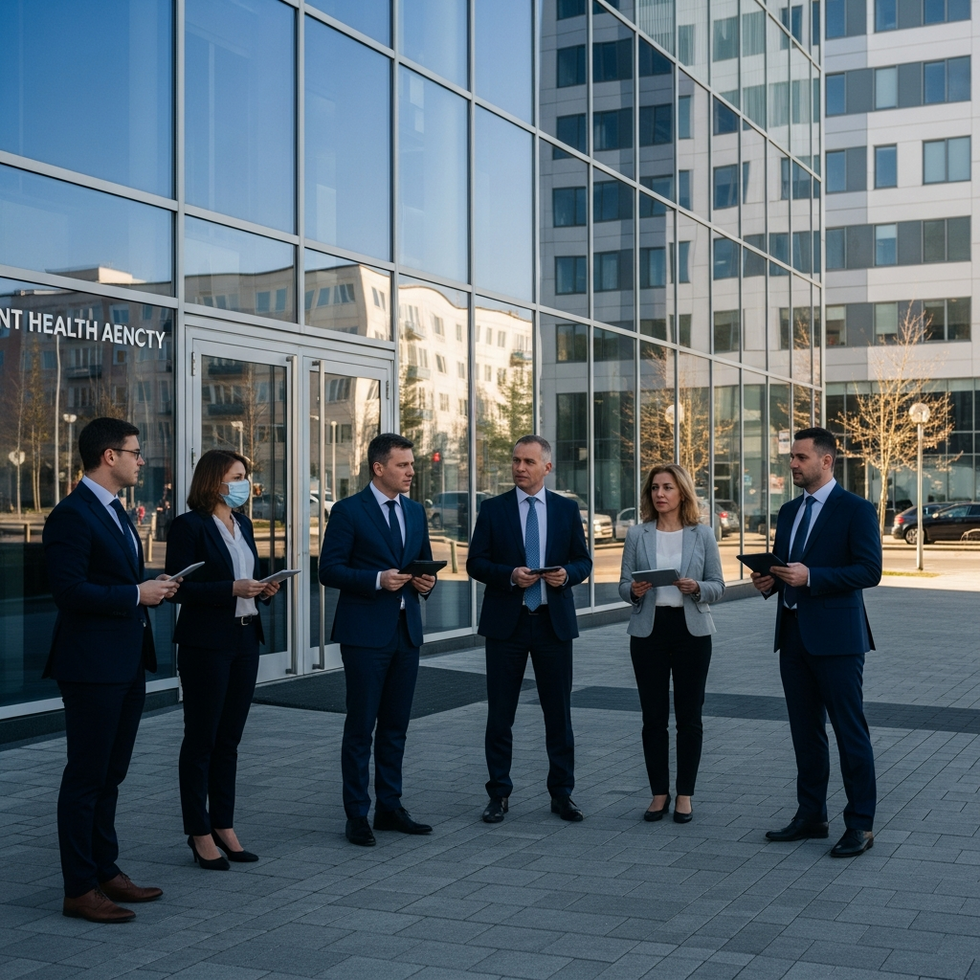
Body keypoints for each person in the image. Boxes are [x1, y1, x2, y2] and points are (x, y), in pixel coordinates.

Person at [42, 417, 177, 923]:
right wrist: (134, 594)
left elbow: (114, 578)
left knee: (111, 774)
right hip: (91, 666)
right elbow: (69, 592)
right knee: (86, 776)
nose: (141, 459)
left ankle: (104, 869)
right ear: (108, 456)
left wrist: (151, 586)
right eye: (135, 452)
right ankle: (79, 888)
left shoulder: (116, 511)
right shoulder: (72, 515)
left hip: (124, 661)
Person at [752, 427, 881, 858]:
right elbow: (784, 565)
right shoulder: (788, 511)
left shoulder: (856, 509)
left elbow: (869, 571)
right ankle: (811, 816)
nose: (792, 464)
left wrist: (814, 577)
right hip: (792, 637)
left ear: (826, 461)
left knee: (849, 732)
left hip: (839, 641)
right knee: (805, 733)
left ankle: (860, 824)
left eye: (800, 457)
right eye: (791, 457)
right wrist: (768, 580)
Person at [318, 433, 437, 846]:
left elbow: (422, 565)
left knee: (396, 727)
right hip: (365, 635)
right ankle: (357, 814)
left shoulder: (416, 512)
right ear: (379, 468)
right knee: (360, 726)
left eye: (411, 464)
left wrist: (426, 582)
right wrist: (376, 580)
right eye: (403, 465)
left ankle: (390, 806)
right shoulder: (349, 511)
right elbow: (329, 570)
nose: (411, 472)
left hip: (406, 633)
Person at [467, 435, 592, 824]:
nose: (520, 468)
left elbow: (583, 562)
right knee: (500, 716)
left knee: (559, 715)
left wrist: (564, 575)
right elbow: (475, 563)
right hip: (508, 626)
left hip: (553, 625)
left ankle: (562, 795)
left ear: (547, 468)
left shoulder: (566, 510)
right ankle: (498, 794)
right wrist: (510, 575)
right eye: (516, 461)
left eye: (528, 462)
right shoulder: (493, 509)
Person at [165, 449, 280, 870]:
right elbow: (179, 588)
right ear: (215, 481)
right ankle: (199, 832)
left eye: (245, 476)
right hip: (205, 646)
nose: (244, 484)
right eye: (237, 476)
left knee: (228, 740)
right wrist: (232, 589)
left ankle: (224, 825)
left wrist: (263, 589)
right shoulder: (188, 526)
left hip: (245, 642)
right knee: (201, 740)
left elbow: (244, 578)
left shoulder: (243, 523)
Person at [618, 463, 725, 824]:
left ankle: (685, 795)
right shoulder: (637, 534)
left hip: (691, 631)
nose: (660, 494)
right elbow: (622, 584)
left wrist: (697, 588)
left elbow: (718, 585)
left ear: (682, 493)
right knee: (653, 718)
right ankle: (658, 793)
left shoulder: (702, 534)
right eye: (654, 488)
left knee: (689, 718)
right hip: (649, 631)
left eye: (667, 487)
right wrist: (632, 591)